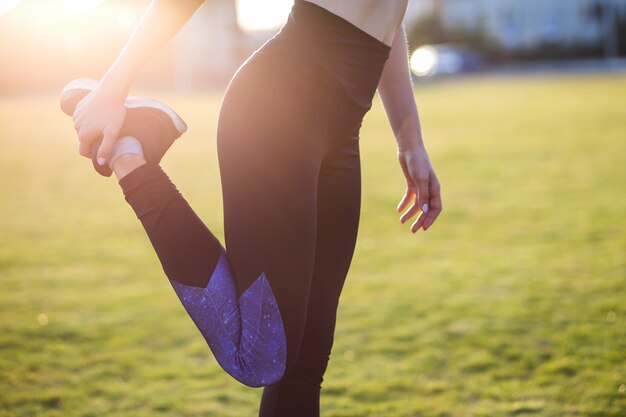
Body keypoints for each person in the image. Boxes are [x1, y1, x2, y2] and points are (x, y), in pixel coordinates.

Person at [62, 0, 442, 415]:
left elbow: (390, 14)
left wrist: (410, 140)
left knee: (305, 364)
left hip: (341, 136)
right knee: (263, 354)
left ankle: (136, 138)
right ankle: (130, 152)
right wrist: (112, 88)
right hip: (275, 114)